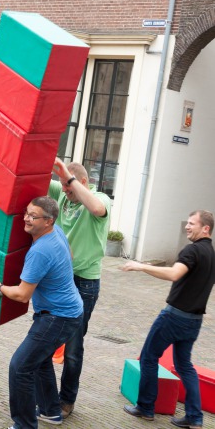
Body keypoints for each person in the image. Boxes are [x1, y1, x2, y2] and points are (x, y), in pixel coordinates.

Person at [0, 196, 83, 429]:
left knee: (20, 367)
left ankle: (24, 424)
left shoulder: (40, 251)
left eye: (33, 216)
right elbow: (69, 256)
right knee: (38, 360)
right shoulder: (56, 232)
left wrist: (0, 287)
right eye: (27, 213)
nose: (27, 219)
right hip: (69, 312)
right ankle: (51, 411)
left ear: (48, 221)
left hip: (58, 317)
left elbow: (22, 294)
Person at [122, 210, 215, 429]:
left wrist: (140, 266)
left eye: (192, 223)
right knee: (184, 365)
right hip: (194, 320)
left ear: (206, 228)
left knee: (148, 357)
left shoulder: (192, 250)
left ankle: (145, 407)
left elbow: (174, 274)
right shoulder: (211, 253)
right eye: (187, 223)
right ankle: (194, 417)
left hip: (174, 317)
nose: (187, 226)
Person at [48, 158, 111, 418]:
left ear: (82, 182)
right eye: (62, 185)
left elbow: (96, 208)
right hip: (61, 278)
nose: (64, 190)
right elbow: (35, 177)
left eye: (68, 186)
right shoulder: (63, 192)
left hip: (85, 283)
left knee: (73, 347)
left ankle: (67, 401)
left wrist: (69, 178)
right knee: (45, 337)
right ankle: (46, 396)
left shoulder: (101, 198)